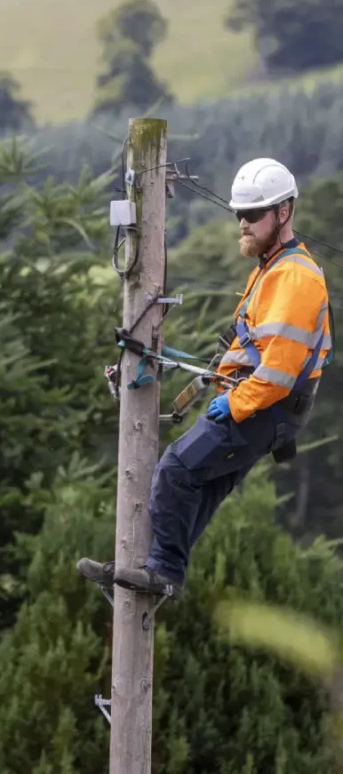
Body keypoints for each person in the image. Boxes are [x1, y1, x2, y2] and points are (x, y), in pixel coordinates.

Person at [77, 158, 333, 598]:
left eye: (253, 214)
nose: (243, 224)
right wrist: (208, 376)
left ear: (284, 212)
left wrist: (232, 403)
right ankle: (152, 569)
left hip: (261, 406)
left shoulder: (294, 277)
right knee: (199, 484)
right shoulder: (272, 270)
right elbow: (254, 348)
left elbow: (279, 369)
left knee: (176, 470)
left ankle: (162, 572)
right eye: (239, 214)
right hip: (263, 407)